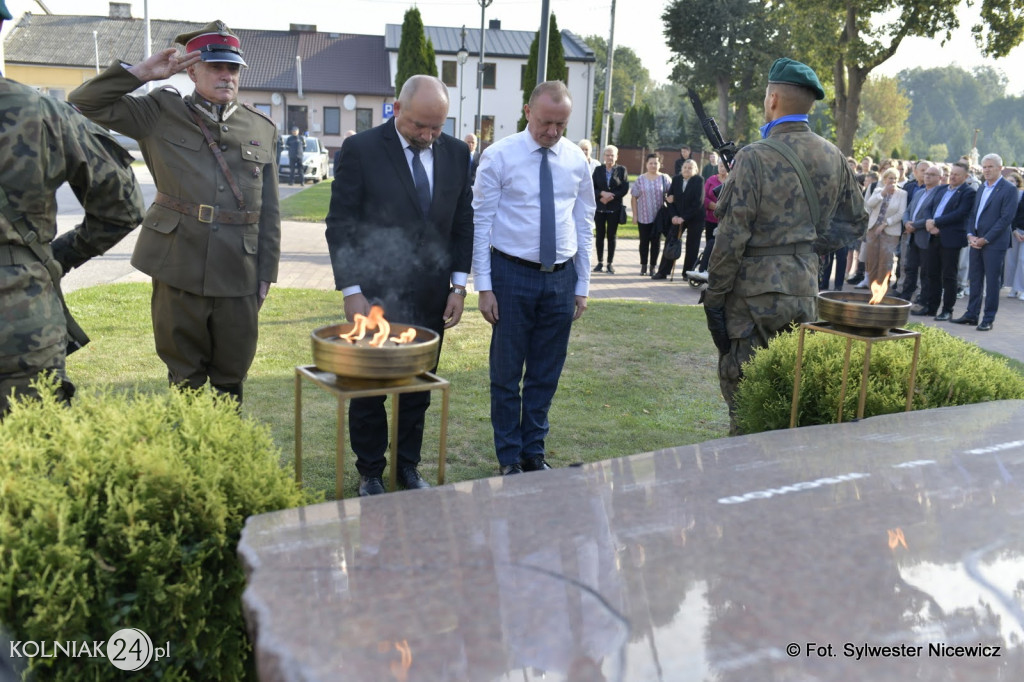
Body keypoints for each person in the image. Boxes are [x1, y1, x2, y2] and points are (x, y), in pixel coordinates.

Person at [69, 20, 281, 405]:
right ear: (191, 70)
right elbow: (85, 101)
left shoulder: (261, 128)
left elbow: (269, 211)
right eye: (216, 66)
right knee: (184, 374)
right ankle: (186, 458)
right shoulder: (159, 112)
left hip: (240, 269)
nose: (225, 75)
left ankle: (225, 456)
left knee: (232, 375)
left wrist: (267, 272)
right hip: (178, 261)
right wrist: (142, 73)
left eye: (232, 68)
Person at [326, 75, 474, 496]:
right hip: (374, 293)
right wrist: (351, 289)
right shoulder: (362, 149)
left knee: (418, 386)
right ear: (396, 109)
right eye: (419, 127)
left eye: (436, 128)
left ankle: (407, 468)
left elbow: (463, 223)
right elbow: (341, 224)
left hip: (432, 293)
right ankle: (370, 471)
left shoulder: (459, 154)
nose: (428, 136)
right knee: (370, 388)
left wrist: (458, 286)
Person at [703, 57, 867, 433]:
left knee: (745, 395)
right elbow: (857, 221)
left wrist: (715, 295)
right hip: (805, 288)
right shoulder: (833, 156)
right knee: (789, 395)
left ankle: (745, 476)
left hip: (753, 297)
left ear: (773, 99)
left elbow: (730, 238)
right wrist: (809, 246)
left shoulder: (753, 156)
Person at [0, 2, 145, 416]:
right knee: (32, 468)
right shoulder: (46, 114)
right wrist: (58, 257)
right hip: (23, 325)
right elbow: (123, 207)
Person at [472, 80, 595, 476]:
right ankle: (509, 457)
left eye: (562, 124)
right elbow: (481, 222)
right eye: (546, 122)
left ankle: (533, 453)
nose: (554, 132)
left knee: (545, 373)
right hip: (510, 275)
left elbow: (584, 221)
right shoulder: (499, 157)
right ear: (528, 112)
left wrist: (582, 285)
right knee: (506, 374)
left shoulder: (576, 161)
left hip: (560, 279)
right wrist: (484, 286)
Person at [951, 153, 1018, 331]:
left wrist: (985, 239)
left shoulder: (1009, 190)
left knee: (992, 283)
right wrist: (971, 234)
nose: (987, 170)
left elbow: (1006, 219)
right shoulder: (982, 188)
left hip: (994, 244)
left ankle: (988, 318)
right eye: (985, 167)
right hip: (975, 241)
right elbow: (973, 213)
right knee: (975, 279)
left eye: (991, 166)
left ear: (1000, 168)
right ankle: (971, 314)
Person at [923, 161, 976, 320]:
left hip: (950, 239)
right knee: (932, 273)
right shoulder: (940, 189)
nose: (952, 177)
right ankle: (931, 307)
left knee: (949, 275)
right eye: (951, 173)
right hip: (933, 235)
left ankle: (947, 310)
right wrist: (929, 223)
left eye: (956, 174)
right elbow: (928, 207)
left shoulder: (968, 192)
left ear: (965, 177)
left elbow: (960, 213)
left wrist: (937, 223)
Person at [653, 158, 703, 279]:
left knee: (692, 245)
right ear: (681, 169)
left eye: (690, 168)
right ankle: (663, 271)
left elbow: (698, 202)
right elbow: (670, 199)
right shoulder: (676, 179)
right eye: (685, 167)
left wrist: (683, 218)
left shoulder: (698, 180)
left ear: (695, 170)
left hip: (695, 217)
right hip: (677, 216)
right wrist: (674, 216)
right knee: (671, 241)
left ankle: (687, 272)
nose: (687, 170)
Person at [859, 168, 908, 290]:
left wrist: (885, 224)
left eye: (895, 178)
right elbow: (869, 204)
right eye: (890, 178)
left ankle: (881, 288)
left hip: (890, 230)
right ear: (885, 179)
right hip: (873, 229)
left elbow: (901, 213)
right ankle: (871, 287)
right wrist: (883, 193)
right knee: (871, 259)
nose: (893, 180)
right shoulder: (878, 190)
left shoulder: (902, 194)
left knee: (885, 260)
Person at [687, 158, 729, 281]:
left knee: (715, 245)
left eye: (724, 166)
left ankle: (708, 270)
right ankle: (705, 269)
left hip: (726, 221)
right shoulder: (711, 180)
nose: (722, 168)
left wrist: (722, 208)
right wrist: (714, 206)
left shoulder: (733, 181)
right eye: (720, 165)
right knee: (710, 244)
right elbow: (704, 198)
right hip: (711, 219)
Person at [630, 153, 672, 276]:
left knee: (656, 242)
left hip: (659, 218)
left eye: (656, 163)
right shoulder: (640, 179)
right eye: (651, 163)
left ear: (660, 164)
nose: (653, 165)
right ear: (646, 164)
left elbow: (671, 195)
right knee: (644, 242)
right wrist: (635, 215)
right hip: (643, 216)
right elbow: (634, 197)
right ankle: (643, 265)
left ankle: (653, 266)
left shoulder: (665, 178)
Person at [591, 144, 629, 274]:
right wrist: (601, 194)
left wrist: (611, 196)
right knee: (599, 235)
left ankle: (610, 263)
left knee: (611, 236)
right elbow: (592, 186)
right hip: (600, 207)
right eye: (607, 155)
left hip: (614, 208)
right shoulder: (598, 170)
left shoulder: (622, 170)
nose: (610, 157)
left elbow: (624, 188)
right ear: (604, 156)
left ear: (616, 156)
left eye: (612, 155)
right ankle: (600, 262)